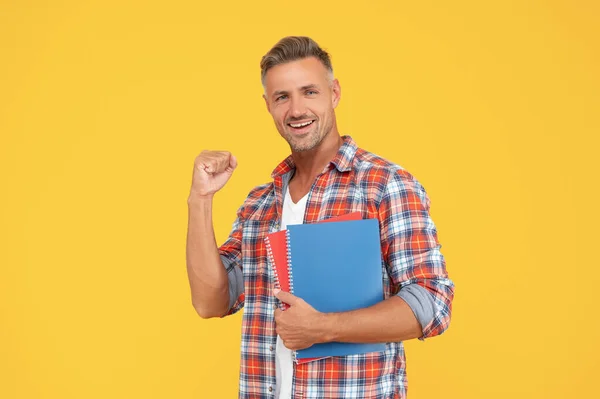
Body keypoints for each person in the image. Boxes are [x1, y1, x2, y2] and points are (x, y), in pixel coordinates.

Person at [186, 36, 455, 399]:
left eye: (309, 91)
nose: (296, 110)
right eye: (282, 97)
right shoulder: (259, 204)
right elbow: (211, 302)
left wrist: (324, 328)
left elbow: (432, 303)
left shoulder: (384, 185)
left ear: (334, 93)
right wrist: (200, 199)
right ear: (268, 106)